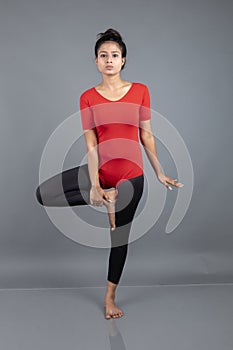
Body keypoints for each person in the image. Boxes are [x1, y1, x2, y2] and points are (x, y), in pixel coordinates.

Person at [35, 28, 184, 319]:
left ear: (123, 60)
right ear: (96, 62)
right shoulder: (88, 97)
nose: (109, 60)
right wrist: (94, 185)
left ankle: (109, 298)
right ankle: (106, 196)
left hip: (131, 175)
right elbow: (91, 143)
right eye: (103, 55)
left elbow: (147, 136)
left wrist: (159, 172)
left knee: (119, 239)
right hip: (101, 170)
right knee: (44, 194)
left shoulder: (140, 90)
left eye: (114, 55)